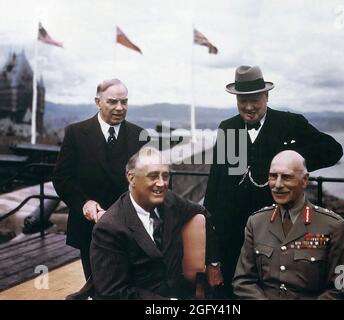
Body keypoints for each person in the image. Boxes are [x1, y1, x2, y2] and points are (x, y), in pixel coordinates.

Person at [204, 65, 344, 296]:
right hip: (233, 243)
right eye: (243, 101)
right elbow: (216, 191)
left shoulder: (290, 123)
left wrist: (292, 160)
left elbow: (333, 150)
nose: (249, 107)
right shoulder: (228, 129)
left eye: (255, 99)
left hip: (277, 237)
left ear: (266, 96)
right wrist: (213, 259)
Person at [90, 146, 223, 299]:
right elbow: (112, 292)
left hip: (183, 294)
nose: (161, 184)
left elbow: (202, 213)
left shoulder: (169, 201)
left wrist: (213, 263)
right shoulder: (109, 228)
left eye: (165, 176)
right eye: (153, 176)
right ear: (131, 178)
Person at [232, 150, 344, 299]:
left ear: (305, 180)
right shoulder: (256, 222)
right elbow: (243, 281)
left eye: (286, 177)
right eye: (273, 176)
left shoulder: (332, 226)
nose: (278, 185)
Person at [53, 79, 146, 280]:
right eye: (113, 102)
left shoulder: (140, 135)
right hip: (89, 228)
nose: (120, 108)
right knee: (95, 286)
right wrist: (83, 203)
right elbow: (62, 178)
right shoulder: (76, 133)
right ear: (98, 102)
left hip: (130, 229)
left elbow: (148, 181)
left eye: (125, 102)